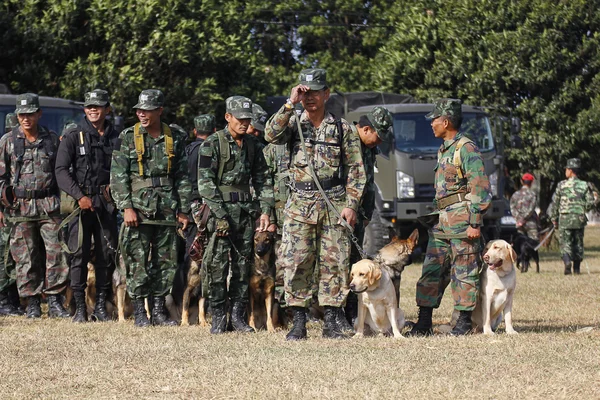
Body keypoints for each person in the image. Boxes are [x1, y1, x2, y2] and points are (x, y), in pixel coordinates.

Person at [264, 68, 366, 340]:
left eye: (314, 93)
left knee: (335, 262)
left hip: (333, 203)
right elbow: (270, 134)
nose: (309, 98)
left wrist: (351, 204)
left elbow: (356, 169)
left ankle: (332, 320)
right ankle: (298, 321)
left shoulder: (342, 128)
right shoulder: (294, 122)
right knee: (296, 262)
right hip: (299, 204)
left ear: (326, 94)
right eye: (305, 92)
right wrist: (289, 103)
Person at [407, 98, 491, 337]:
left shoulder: (466, 148)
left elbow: (480, 186)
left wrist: (475, 222)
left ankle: (463, 323)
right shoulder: (444, 148)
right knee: (431, 271)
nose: (432, 124)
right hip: (441, 222)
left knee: (464, 272)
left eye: (434, 120)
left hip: (463, 222)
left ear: (446, 121)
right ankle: (424, 323)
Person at [110, 89, 191, 327]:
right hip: (138, 209)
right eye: (139, 110)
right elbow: (118, 176)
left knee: (165, 261)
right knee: (136, 260)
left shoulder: (174, 136)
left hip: (167, 209)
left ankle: (157, 311)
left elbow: (183, 176)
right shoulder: (127, 137)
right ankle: (139, 314)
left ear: (159, 111)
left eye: (146, 110)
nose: (141, 114)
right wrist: (126, 207)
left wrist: (183, 209)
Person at [197, 96, 272, 334]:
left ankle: (238, 317)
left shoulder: (253, 145)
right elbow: (205, 183)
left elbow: (263, 178)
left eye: (247, 119)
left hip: (245, 213)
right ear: (227, 117)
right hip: (221, 213)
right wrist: (219, 215)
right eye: (239, 119)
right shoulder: (212, 143)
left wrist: (266, 210)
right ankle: (219, 316)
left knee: (242, 266)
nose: (244, 123)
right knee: (217, 265)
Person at [0, 93, 70, 318]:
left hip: (49, 206)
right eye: (22, 114)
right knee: (25, 256)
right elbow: (0, 178)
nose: (26, 118)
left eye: (30, 113)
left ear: (39, 114)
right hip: (20, 208)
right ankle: (31, 303)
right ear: (17, 116)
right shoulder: (8, 141)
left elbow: (61, 171)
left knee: (56, 254)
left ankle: (55, 300)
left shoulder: (50, 139)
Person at [55, 89, 120, 323]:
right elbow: (61, 171)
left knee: (106, 255)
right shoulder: (74, 135)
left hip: (106, 204)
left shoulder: (116, 136)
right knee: (79, 256)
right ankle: (80, 308)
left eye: (98, 106)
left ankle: (102, 306)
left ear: (107, 109)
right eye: (89, 106)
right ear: (84, 110)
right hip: (80, 204)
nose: (93, 109)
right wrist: (79, 196)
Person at [346, 106, 393, 323]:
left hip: (359, 214)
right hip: (342, 212)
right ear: (366, 129)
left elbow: (368, 184)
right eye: (378, 136)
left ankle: (352, 312)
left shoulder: (368, 147)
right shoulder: (345, 139)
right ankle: (335, 314)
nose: (379, 142)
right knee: (339, 264)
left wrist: (366, 212)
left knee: (355, 261)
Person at [548, 158, 595, 275]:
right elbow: (589, 203)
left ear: (570, 170)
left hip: (565, 218)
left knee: (565, 243)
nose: (565, 172)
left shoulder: (561, 185)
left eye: (566, 169)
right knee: (578, 243)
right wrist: (583, 208)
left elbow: (555, 203)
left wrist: (554, 219)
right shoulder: (584, 185)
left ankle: (567, 262)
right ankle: (577, 269)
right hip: (579, 218)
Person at [184, 114, 216, 266]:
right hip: (205, 208)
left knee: (191, 252)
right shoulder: (211, 150)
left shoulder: (187, 150)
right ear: (215, 131)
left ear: (195, 131)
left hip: (188, 207)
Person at [509, 172, 539, 240]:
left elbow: (512, 208)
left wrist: (519, 219)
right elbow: (531, 209)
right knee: (533, 244)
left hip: (519, 223)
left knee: (520, 242)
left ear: (521, 181)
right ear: (531, 182)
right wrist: (524, 219)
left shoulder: (515, 194)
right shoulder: (532, 194)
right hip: (530, 223)